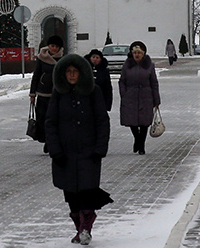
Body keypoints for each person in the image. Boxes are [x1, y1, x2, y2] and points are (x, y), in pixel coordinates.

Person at [45, 53, 112, 245]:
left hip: (88, 152)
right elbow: (50, 122)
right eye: (68, 72)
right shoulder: (59, 93)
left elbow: (102, 121)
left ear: (82, 73)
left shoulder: (93, 91)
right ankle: (79, 228)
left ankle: (85, 228)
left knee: (87, 192)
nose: (72, 75)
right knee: (71, 195)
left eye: (75, 71)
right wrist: (55, 148)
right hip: (64, 153)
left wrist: (100, 147)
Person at [118, 40, 160, 154]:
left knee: (144, 123)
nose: (137, 55)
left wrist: (156, 100)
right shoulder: (127, 65)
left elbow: (154, 83)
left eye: (139, 53)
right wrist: (124, 94)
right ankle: (137, 139)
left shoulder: (149, 66)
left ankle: (141, 146)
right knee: (132, 122)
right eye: (135, 53)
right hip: (130, 97)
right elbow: (122, 81)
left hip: (146, 97)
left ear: (143, 54)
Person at [30, 35, 64, 150]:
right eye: (52, 46)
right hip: (43, 93)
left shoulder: (63, 59)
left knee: (54, 119)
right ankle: (45, 138)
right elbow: (36, 75)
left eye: (57, 47)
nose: (54, 49)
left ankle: (51, 142)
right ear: (48, 46)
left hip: (57, 94)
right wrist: (32, 93)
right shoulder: (42, 58)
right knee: (42, 118)